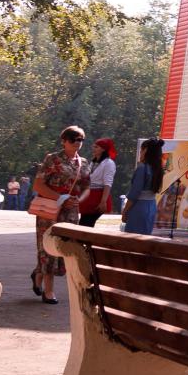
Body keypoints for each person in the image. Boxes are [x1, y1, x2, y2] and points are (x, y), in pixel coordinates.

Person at [31, 126, 90, 305]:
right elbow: (38, 185)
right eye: (73, 139)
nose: (77, 143)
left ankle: (38, 273)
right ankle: (48, 291)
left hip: (70, 213)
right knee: (47, 248)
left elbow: (87, 187)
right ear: (64, 141)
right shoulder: (53, 159)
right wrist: (60, 198)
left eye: (80, 140)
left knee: (65, 248)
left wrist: (78, 200)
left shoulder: (83, 163)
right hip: (50, 211)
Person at [121, 139, 165, 235]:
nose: (140, 154)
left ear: (145, 151)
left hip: (139, 207)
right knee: (145, 237)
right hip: (151, 206)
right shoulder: (158, 169)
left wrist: (125, 211)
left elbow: (134, 193)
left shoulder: (142, 168)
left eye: (141, 151)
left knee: (132, 238)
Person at [77, 138, 116, 226]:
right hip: (89, 197)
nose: (93, 149)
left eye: (96, 147)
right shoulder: (93, 162)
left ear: (103, 149)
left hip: (98, 197)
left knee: (86, 224)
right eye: (94, 146)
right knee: (83, 224)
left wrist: (103, 202)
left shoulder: (109, 163)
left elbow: (107, 183)